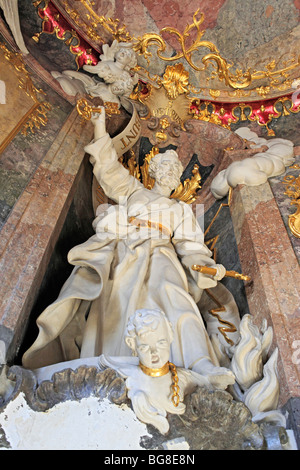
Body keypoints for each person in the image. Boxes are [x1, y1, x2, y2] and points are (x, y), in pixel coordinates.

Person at [22, 107, 235, 389]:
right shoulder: (134, 191)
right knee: (116, 309)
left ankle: (200, 364)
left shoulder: (181, 209)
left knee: (180, 303)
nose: (172, 174)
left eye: (176, 171)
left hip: (162, 256)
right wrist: (100, 127)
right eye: (167, 168)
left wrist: (204, 267)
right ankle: (109, 366)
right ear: (155, 171)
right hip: (124, 255)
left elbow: (191, 246)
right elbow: (108, 170)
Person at [100, 308, 212, 434]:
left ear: (170, 337)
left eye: (161, 343)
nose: (154, 352)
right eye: (144, 347)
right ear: (132, 345)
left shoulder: (185, 378)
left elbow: (208, 383)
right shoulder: (126, 377)